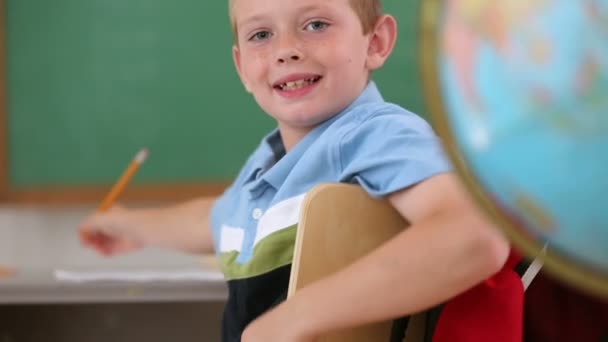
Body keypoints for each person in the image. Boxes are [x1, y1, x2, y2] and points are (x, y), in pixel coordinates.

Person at [79, 0, 510, 341]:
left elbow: (474, 234)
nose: (286, 49)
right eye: (261, 34)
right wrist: (130, 226)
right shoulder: (269, 161)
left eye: (316, 24)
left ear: (375, 42)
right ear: (242, 67)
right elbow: (215, 220)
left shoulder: (373, 134)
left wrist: (295, 318)